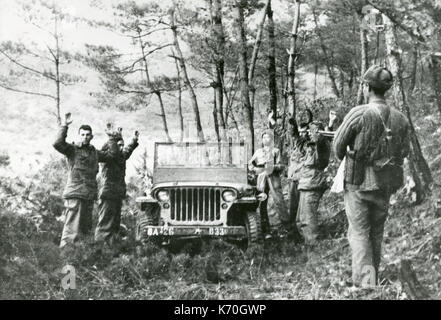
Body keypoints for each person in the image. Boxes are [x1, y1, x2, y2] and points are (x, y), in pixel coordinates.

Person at [333, 65, 410, 287]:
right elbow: (404, 151)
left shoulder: (358, 114)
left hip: (358, 183)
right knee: (376, 231)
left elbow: (338, 149)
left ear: (367, 87)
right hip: (386, 183)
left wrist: (353, 152)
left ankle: (367, 283)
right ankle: (372, 277)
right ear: (385, 90)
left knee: (359, 233)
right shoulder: (400, 119)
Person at [53, 113, 121, 248]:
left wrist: (112, 138)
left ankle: (80, 258)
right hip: (76, 194)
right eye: (82, 134)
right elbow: (57, 143)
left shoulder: (94, 152)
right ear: (79, 135)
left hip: (88, 195)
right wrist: (64, 126)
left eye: (87, 135)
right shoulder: (72, 150)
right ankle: (66, 256)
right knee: (72, 229)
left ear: (91, 136)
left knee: (84, 229)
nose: (85, 137)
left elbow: (112, 156)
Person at [95, 128, 139, 244]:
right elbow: (115, 153)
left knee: (114, 224)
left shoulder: (120, 157)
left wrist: (134, 140)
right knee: (105, 224)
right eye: (118, 145)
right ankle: (100, 248)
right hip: (108, 194)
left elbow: (127, 151)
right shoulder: (108, 157)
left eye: (122, 145)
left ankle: (111, 248)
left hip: (117, 194)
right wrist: (112, 138)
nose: (121, 148)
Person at [296, 120, 331, 246]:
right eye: (310, 131)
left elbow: (320, 142)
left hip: (313, 183)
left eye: (313, 131)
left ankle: (313, 245)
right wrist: (301, 133)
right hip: (306, 184)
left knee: (309, 218)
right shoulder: (311, 145)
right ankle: (307, 244)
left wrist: (319, 133)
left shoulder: (322, 145)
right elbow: (300, 144)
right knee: (300, 219)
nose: (310, 134)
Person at [249, 129, 289, 239]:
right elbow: (250, 165)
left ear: (271, 139)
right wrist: (257, 169)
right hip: (261, 180)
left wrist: (271, 166)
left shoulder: (275, 151)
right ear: (261, 140)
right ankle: (265, 230)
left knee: (279, 201)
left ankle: (285, 229)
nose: (266, 139)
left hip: (273, 178)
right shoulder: (258, 152)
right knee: (262, 203)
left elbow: (281, 166)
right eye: (264, 137)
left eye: (268, 137)